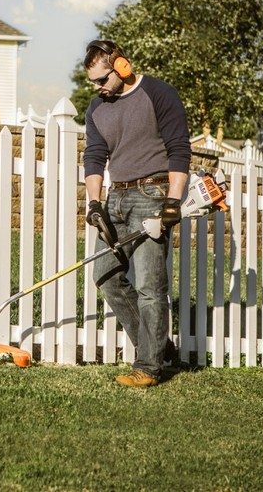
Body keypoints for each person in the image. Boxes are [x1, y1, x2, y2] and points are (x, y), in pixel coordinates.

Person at [82, 39, 191, 388]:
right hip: (116, 199)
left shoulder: (159, 94)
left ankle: (148, 366)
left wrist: (172, 204)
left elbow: (179, 151)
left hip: (152, 194)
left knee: (149, 285)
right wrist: (95, 204)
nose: (99, 89)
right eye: (93, 83)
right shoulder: (96, 109)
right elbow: (95, 157)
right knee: (107, 275)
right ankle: (160, 349)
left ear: (122, 67)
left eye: (103, 80)